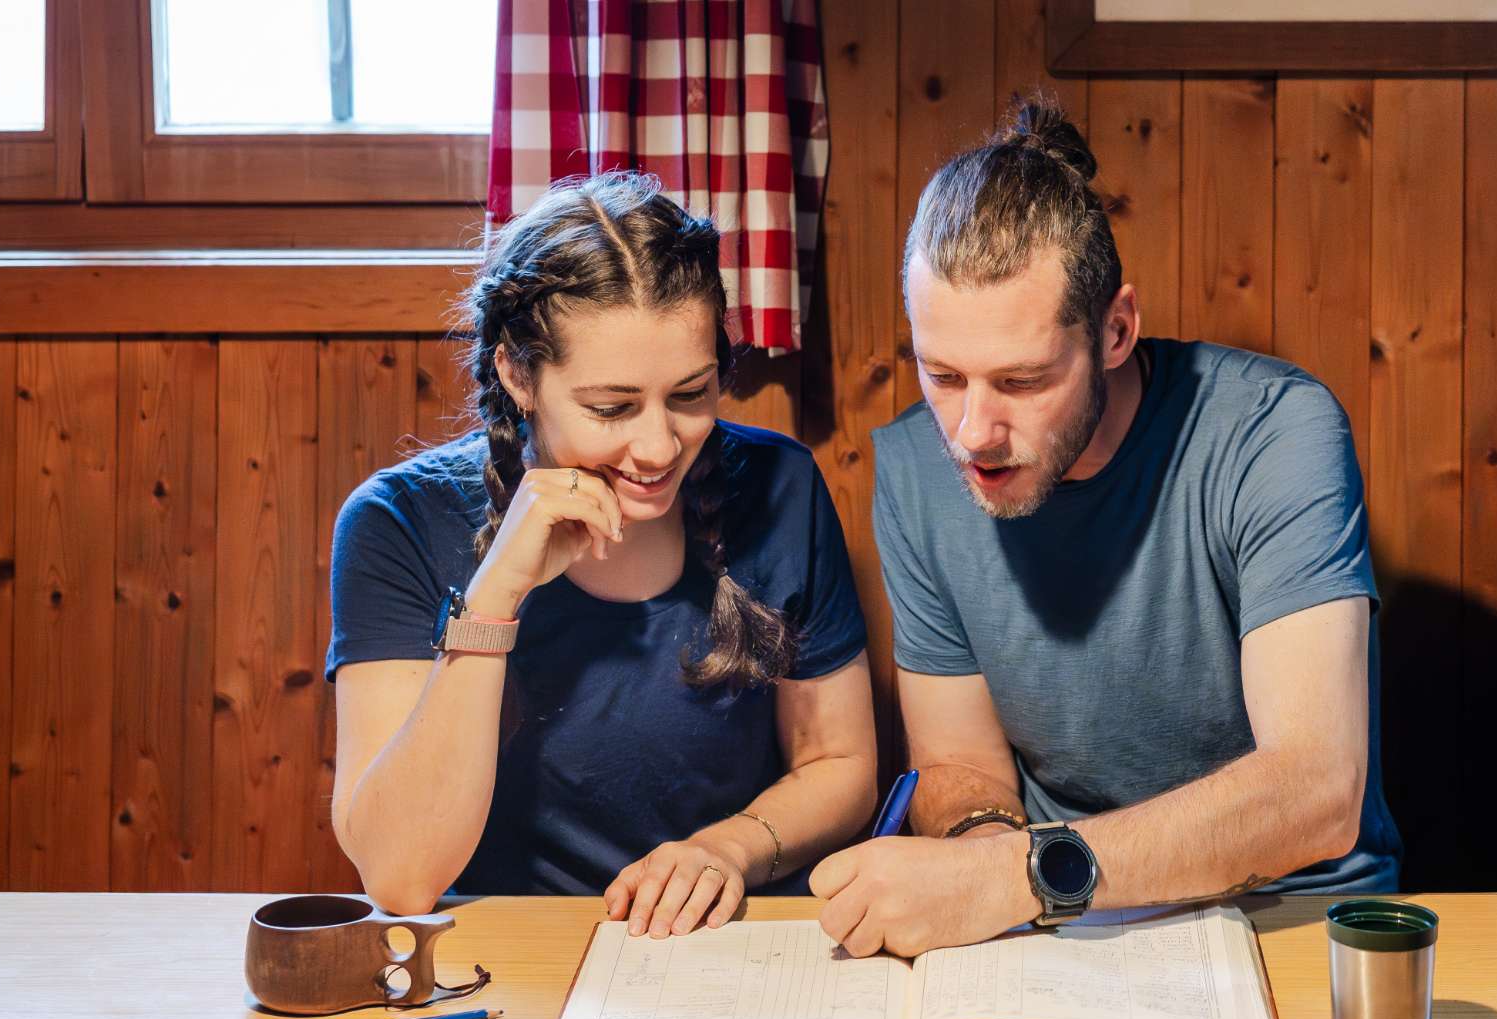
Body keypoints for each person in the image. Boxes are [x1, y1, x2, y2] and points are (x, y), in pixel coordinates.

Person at [810, 101, 1401, 958]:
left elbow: (1317, 789)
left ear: (1115, 330)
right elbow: (965, 772)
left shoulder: (1277, 430)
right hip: (1055, 927)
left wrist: (1011, 877)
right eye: (942, 375)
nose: (972, 431)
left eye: (1021, 379)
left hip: (1292, 917)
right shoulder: (912, 469)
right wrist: (985, 861)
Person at [327, 172, 876, 937]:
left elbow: (840, 764)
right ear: (519, 374)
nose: (657, 447)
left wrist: (729, 849)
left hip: (729, 947)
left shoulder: (780, 485)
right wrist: (494, 597)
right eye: (610, 408)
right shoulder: (398, 520)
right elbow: (402, 877)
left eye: (691, 394)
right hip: (508, 957)